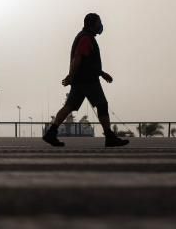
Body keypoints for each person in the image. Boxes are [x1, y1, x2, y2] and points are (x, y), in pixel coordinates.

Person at [43, 13, 129, 148]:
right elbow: (78, 57)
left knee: (69, 106)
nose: (100, 25)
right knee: (102, 104)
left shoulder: (84, 37)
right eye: (99, 22)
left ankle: (51, 133)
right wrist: (71, 75)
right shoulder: (86, 38)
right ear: (92, 24)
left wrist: (101, 73)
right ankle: (109, 136)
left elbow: (87, 62)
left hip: (81, 80)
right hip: (88, 81)